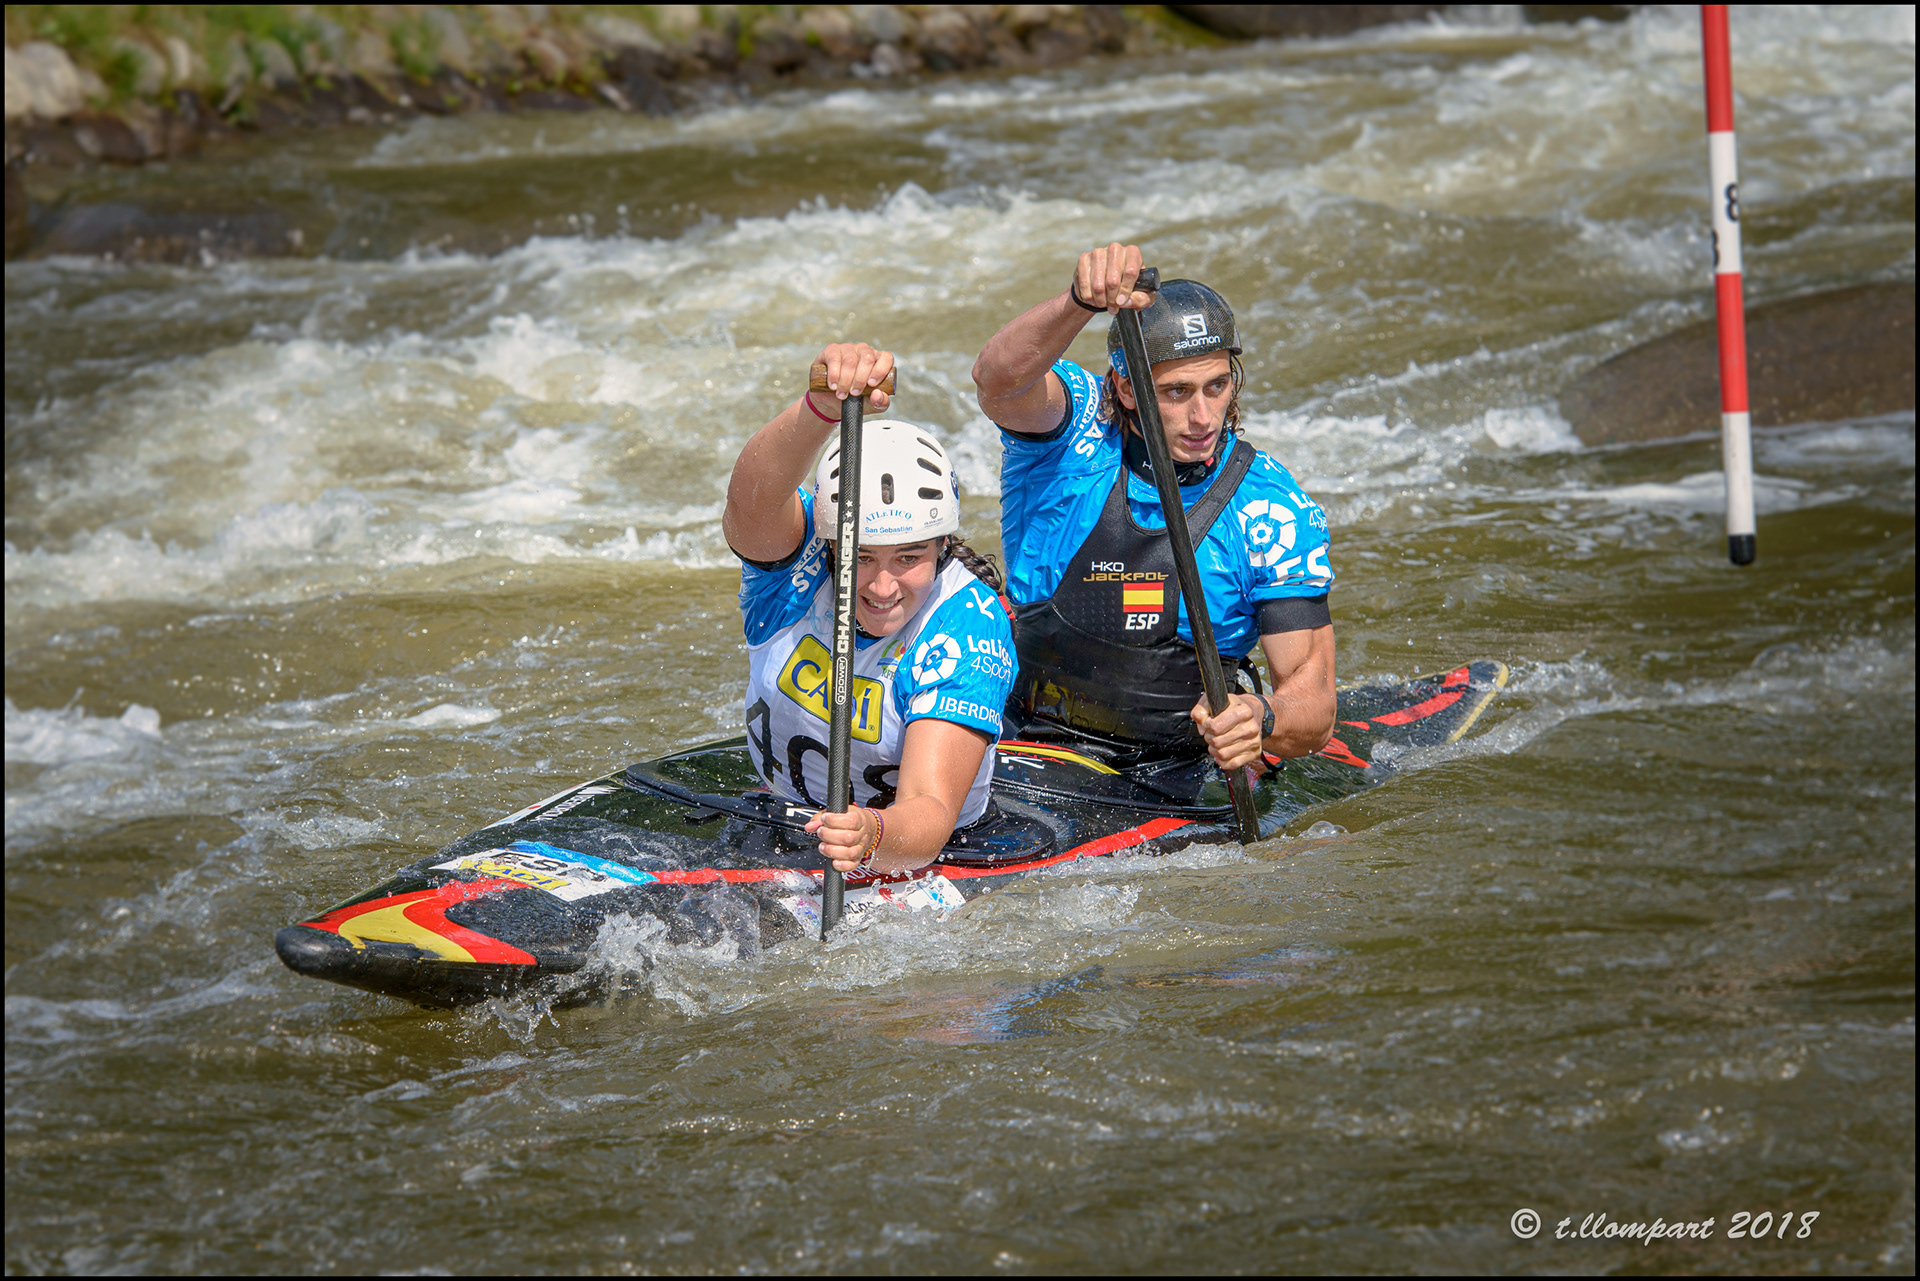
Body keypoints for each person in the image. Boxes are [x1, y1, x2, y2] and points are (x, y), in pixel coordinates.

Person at [971, 242, 1336, 774]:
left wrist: (1261, 716)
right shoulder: (1073, 434)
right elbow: (998, 381)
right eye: (1175, 391)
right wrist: (1078, 302)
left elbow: (1315, 703)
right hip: (1020, 739)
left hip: (1166, 773)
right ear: (1124, 386)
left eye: (1217, 386)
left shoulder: (1270, 508)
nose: (1202, 417)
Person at [723, 342, 1017, 877]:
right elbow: (752, 502)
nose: (883, 586)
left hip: (918, 851)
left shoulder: (966, 622)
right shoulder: (801, 563)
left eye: (909, 557)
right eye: (860, 557)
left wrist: (871, 832)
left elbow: (928, 813)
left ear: (940, 545)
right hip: (782, 820)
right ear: (831, 543)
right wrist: (818, 409)